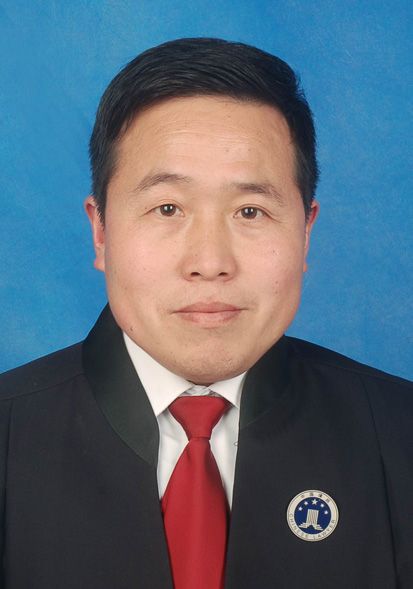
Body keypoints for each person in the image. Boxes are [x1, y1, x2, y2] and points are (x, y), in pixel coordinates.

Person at [0, 37, 412, 589]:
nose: (210, 263)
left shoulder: (400, 436)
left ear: (305, 232)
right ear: (100, 232)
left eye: (251, 211)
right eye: (168, 208)